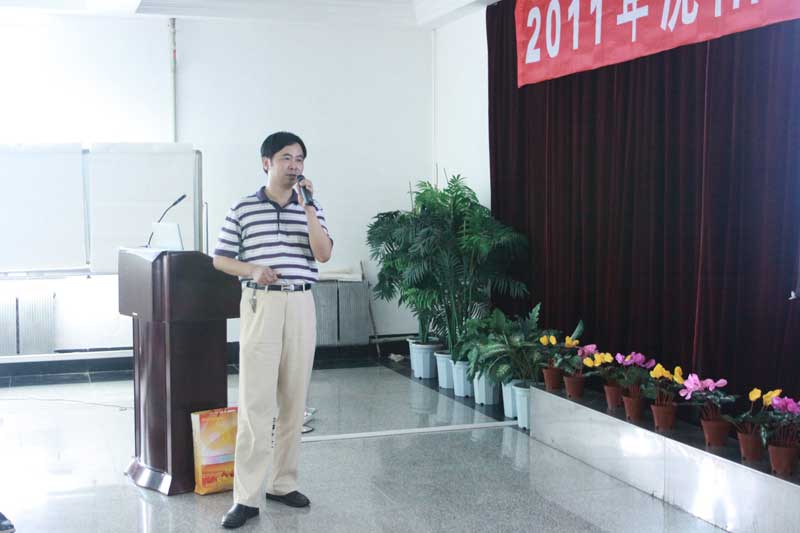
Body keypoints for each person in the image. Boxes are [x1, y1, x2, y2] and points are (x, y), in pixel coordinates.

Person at [213, 131, 333, 529]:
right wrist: (252, 269)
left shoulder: (310, 206)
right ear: (266, 162)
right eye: (286, 158)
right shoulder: (244, 207)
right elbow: (220, 259)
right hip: (261, 303)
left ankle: (283, 484)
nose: (294, 165)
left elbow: (323, 254)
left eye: (299, 159)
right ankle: (246, 498)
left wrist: (309, 206)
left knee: (294, 399)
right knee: (256, 403)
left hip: (300, 303)